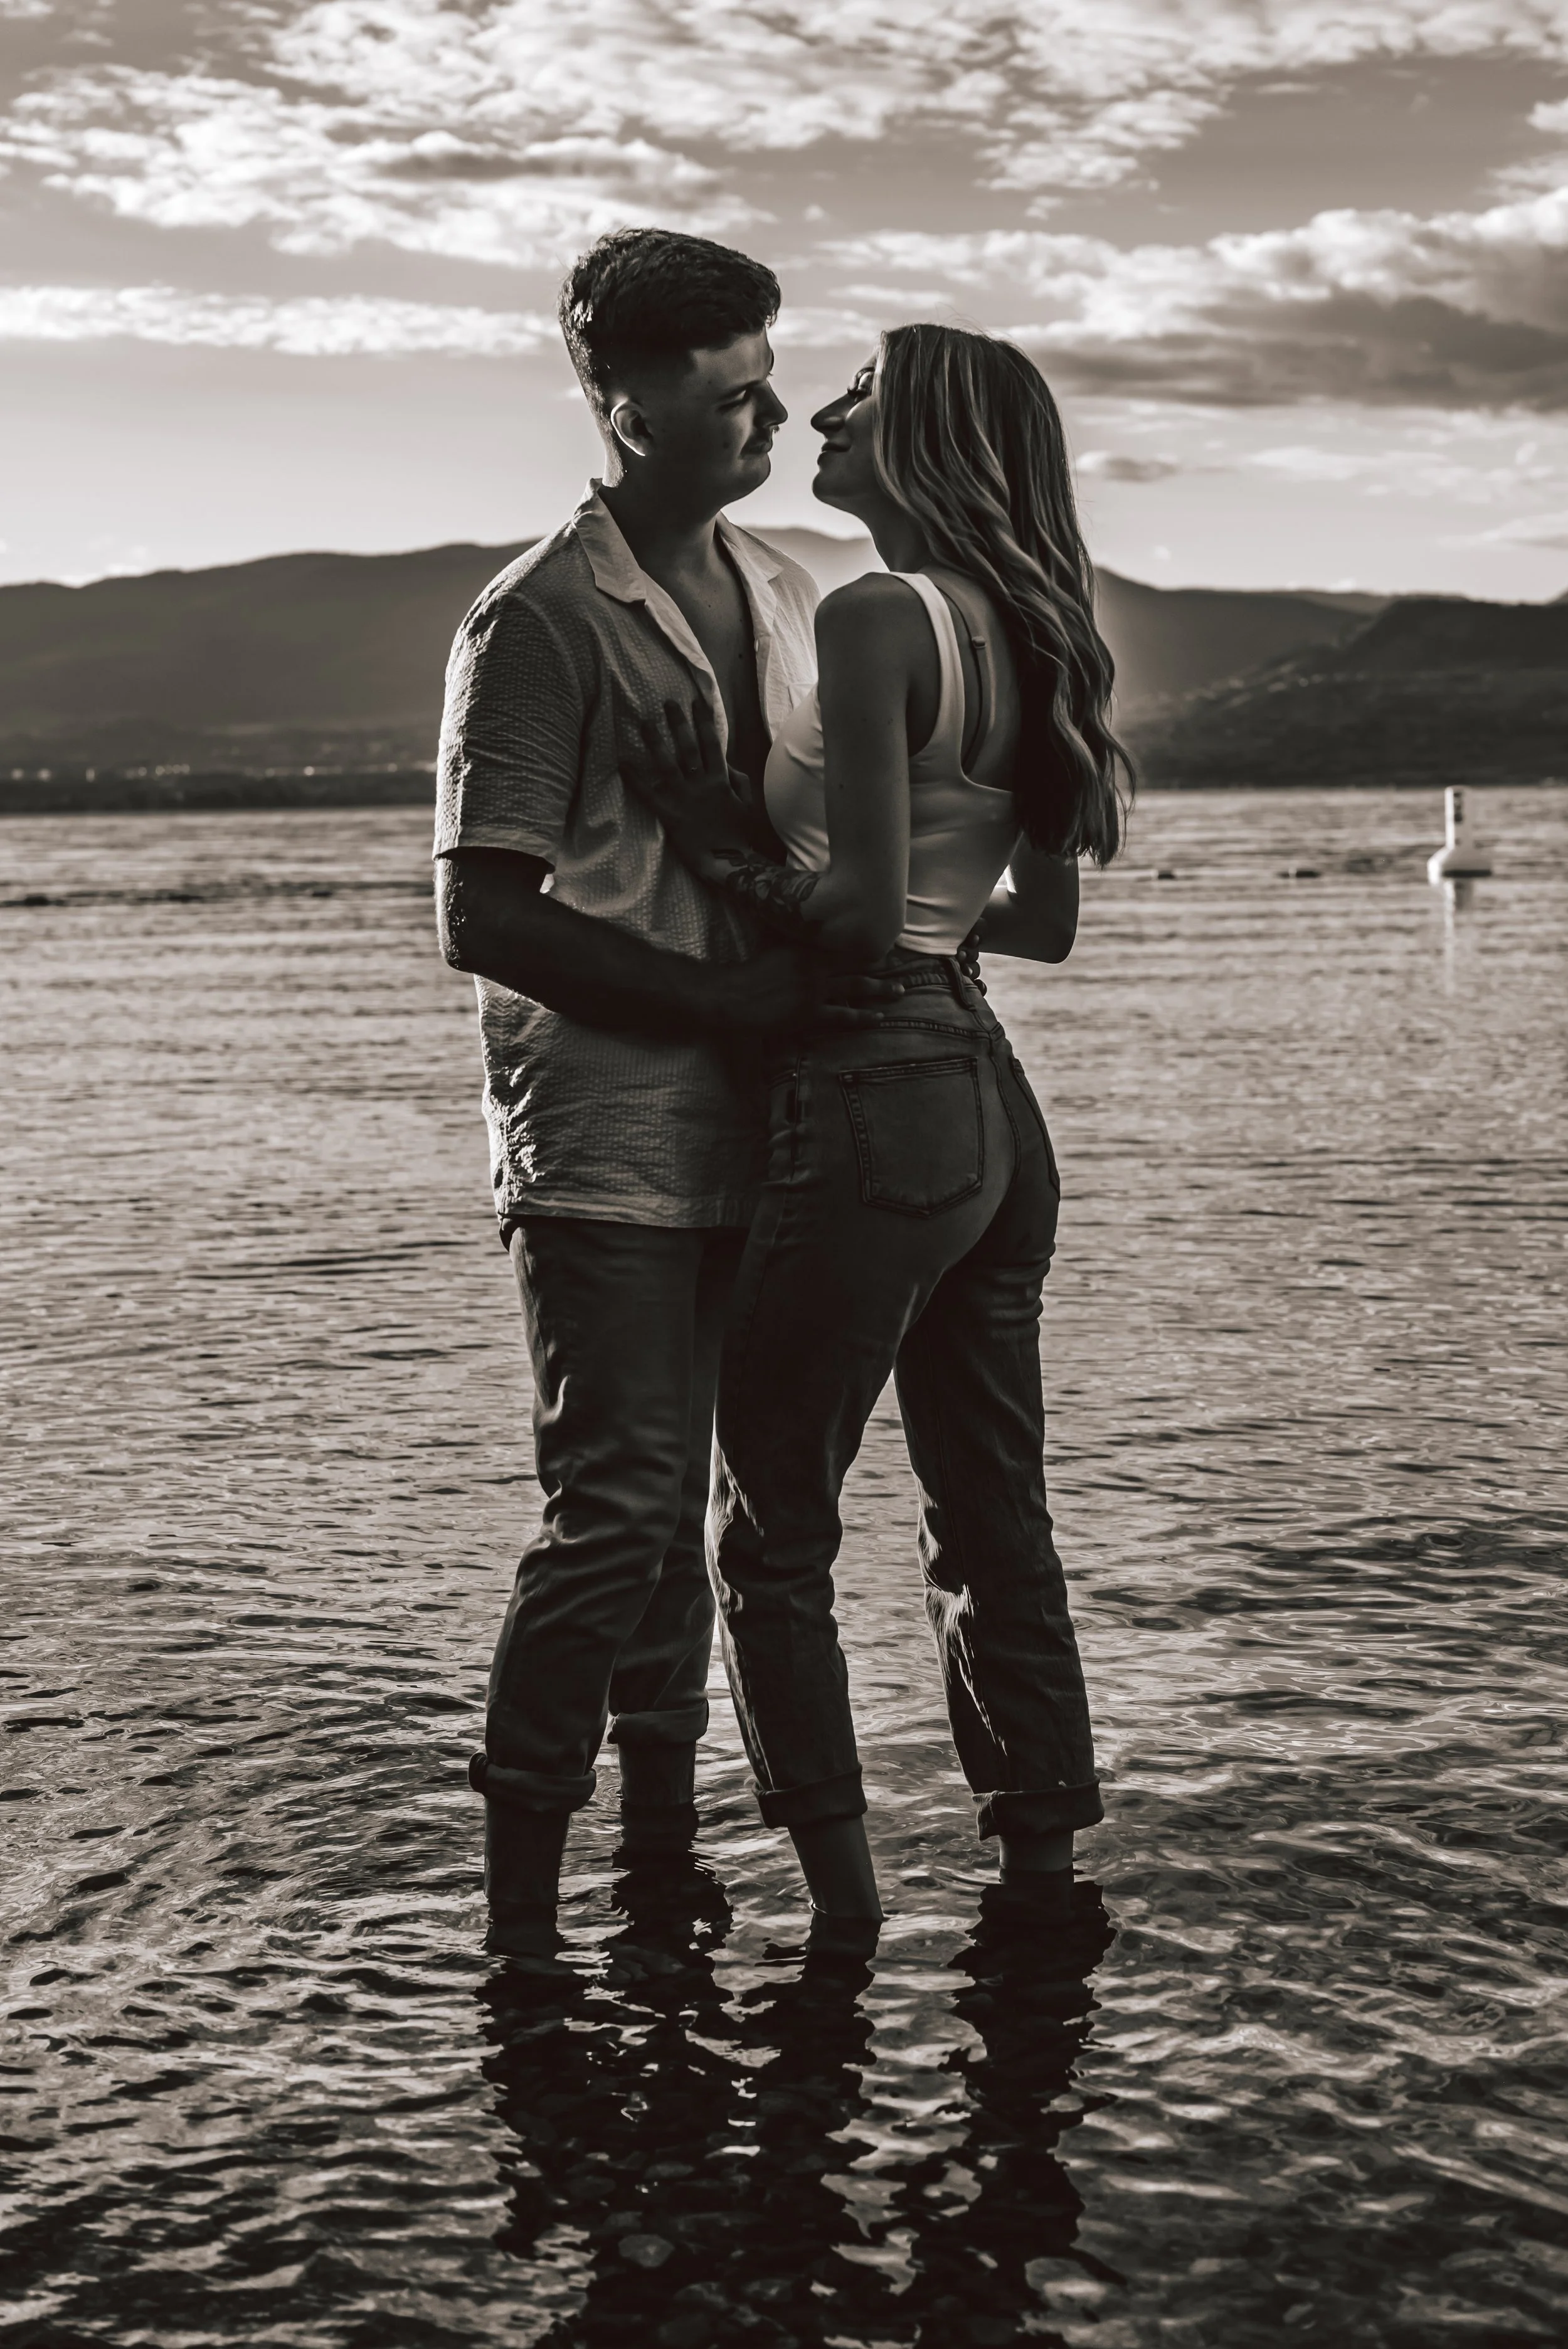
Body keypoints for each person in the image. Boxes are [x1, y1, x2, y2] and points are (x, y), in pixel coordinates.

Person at [619, 322, 1132, 1949]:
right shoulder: (1041, 632)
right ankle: (1038, 1869)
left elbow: (847, 918)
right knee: (992, 1517)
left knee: (770, 1537)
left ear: (918, 438)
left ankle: (840, 1923)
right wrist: (909, 925)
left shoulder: (873, 615)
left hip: (870, 1098)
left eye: (855, 398)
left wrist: (715, 842)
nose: (818, 417)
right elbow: (1031, 925)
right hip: (990, 1114)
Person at [433, 228, 896, 1970]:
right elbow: (481, 909)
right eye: (724, 395)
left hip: (771, 1126)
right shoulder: (542, 614)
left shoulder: (786, 583)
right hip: (611, 1133)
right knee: (616, 1508)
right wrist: (727, 1000)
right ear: (618, 399)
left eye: (770, 380)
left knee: (708, 1513)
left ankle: (658, 1863)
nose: (765, 416)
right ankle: (518, 1935)